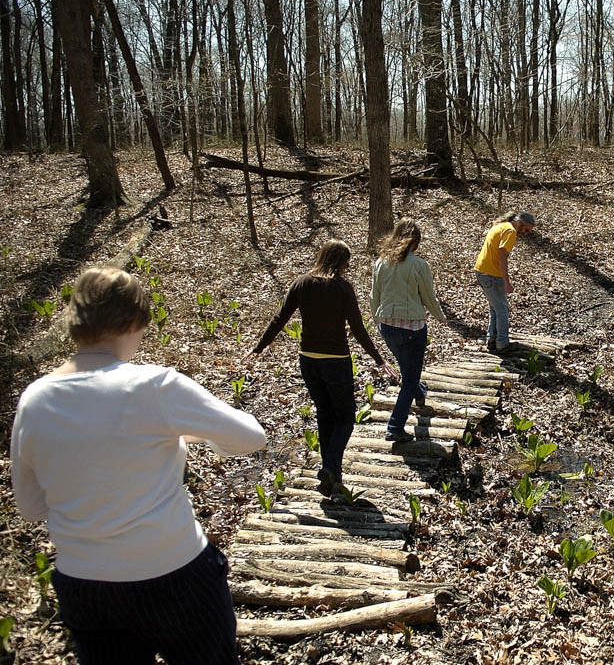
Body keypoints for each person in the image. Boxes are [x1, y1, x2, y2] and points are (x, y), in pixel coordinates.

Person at [11, 266, 267, 665]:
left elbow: (30, 506)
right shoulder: (154, 386)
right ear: (132, 320)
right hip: (173, 575)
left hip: (84, 585)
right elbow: (251, 436)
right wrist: (184, 436)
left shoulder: (34, 398)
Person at [248, 239, 396, 497]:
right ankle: (330, 466)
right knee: (346, 416)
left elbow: (279, 318)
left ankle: (332, 475)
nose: (348, 267)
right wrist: (379, 359)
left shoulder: (302, 283)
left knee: (325, 413)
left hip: (308, 361)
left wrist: (259, 347)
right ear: (341, 263)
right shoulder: (342, 289)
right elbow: (358, 330)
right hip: (335, 361)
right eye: (347, 263)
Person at [370, 218, 447, 443]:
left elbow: (374, 296)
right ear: (416, 240)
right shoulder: (419, 265)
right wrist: (440, 316)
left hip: (388, 326)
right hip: (412, 327)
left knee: (409, 370)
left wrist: (378, 321)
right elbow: (428, 296)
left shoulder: (381, 262)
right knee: (410, 378)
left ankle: (420, 394)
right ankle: (395, 426)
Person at [473, 211, 535, 353]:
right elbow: (502, 256)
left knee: (495, 307)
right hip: (491, 274)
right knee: (502, 310)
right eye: (526, 230)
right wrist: (507, 281)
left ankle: (492, 339)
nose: (526, 233)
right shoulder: (510, 231)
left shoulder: (500, 226)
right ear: (520, 223)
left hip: (482, 271)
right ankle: (502, 344)